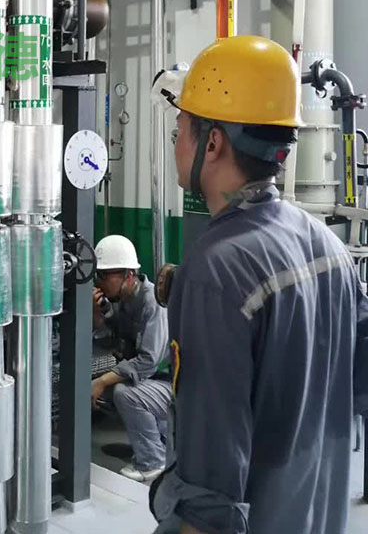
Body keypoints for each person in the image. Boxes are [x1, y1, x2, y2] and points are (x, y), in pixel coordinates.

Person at [151, 35, 368, 534]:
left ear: (212, 142)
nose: (176, 144)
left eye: (180, 130)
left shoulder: (215, 270)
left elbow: (208, 494)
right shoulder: (329, 246)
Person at [91, 234, 172, 483]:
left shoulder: (152, 302)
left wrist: (102, 381)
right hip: (158, 382)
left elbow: (148, 361)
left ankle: (152, 462)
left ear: (128, 274)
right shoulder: (124, 301)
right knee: (106, 395)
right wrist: (97, 315)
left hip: (181, 384)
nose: (100, 282)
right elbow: (110, 343)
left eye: (104, 275)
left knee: (124, 393)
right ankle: (164, 442)